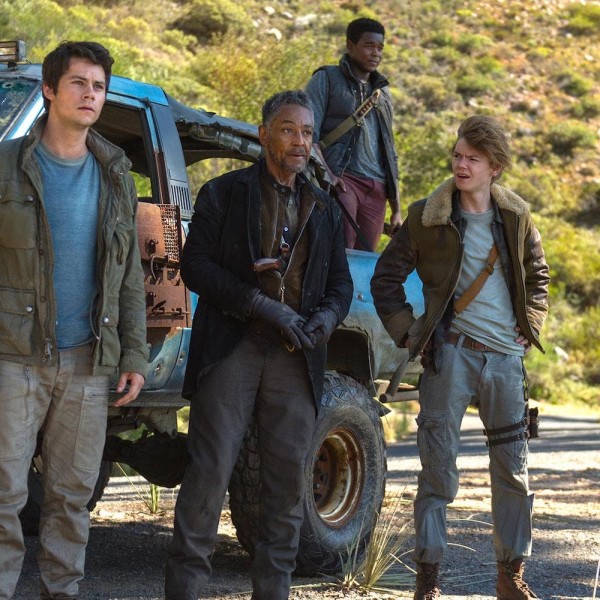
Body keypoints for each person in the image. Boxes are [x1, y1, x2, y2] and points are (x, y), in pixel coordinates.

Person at [164, 90, 353, 600]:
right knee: (208, 474)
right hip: (234, 348)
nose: (300, 141)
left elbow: (340, 283)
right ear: (264, 133)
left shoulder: (324, 206)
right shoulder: (225, 193)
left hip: (296, 358)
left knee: (287, 485)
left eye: (307, 133)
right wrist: (261, 305)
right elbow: (195, 266)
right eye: (289, 130)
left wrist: (325, 319)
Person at [371, 115, 549, 600]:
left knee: (513, 471)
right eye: (457, 156)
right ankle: (428, 580)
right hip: (450, 355)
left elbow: (538, 276)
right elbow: (385, 280)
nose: (461, 165)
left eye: (473, 158)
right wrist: (411, 333)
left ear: (495, 167)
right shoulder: (427, 217)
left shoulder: (516, 217)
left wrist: (530, 324)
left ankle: (510, 576)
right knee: (437, 470)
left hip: (506, 361)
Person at [0, 41, 148, 599]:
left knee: (70, 497)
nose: (91, 94)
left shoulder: (115, 174)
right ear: (49, 90)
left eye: (99, 86)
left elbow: (128, 274)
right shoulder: (6, 166)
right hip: (13, 355)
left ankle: (62, 592)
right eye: (79, 83)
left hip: (89, 359)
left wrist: (133, 354)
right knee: (4, 495)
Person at [305, 17, 401, 252]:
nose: (375, 53)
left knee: (366, 257)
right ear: (350, 45)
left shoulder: (383, 92)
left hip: (377, 186)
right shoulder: (326, 78)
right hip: (344, 179)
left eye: (380, 48)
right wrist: (329, 176)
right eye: (369, 46)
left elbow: (389, 149)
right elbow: (308, 133)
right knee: (341, 250)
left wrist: (396, 208)